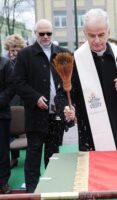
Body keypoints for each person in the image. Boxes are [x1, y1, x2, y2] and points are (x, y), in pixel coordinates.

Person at [64, 9, 117, 151]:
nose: (97, 40)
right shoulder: (75, 59)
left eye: (101, 34)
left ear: (109, 32)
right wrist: (68, 107)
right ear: (84, 33)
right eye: (91, 36)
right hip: (90, 132)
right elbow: (64, 94)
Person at [13, 19, 69, 193]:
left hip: (56, 114)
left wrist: (67, 104)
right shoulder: (25, 54)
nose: (45, 37)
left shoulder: (63, 54)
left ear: (53, 33)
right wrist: (35, 97)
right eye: (41, 33)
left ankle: (51, 188)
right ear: (35, 34)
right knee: (34, 152)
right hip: (36, 113)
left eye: (49, 33)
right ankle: (32, 190)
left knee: (53, 154)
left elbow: (69, 83)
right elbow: (18, 82)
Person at [4, 34, 27, 168]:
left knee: (21, 125)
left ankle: (19, 152)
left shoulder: (22, 60)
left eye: (17, 49)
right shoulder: (5, 61)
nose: (15, 52)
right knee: (11, 126)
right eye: (13, 49)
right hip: (10, 98)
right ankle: (13, 156)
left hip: (21, 97)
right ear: (8, 49)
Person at [0, 57, 14, 194]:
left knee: (2, 150)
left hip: (1, 115)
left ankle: (3, 182)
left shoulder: (5, 63)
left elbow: (12, 87)